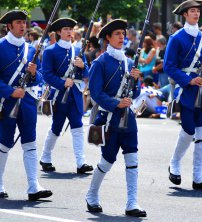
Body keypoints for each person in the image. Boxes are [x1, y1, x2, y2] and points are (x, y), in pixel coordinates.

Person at [85, 19, 146, 217]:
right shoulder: (100, 63)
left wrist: (135, 81)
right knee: (107, 160)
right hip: (109, 118)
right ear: (108, 38)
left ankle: (132, 202)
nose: (122, 37)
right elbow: (95, 93)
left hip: (128, 119)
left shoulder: (129, 63)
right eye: (117, 34)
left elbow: (134, 93)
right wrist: (115, 103)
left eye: (123, 33)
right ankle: (91, 195)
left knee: (132, 158)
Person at [164, 0, 202, 190]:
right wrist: (188, 80)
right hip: (185, 89)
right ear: (185, 14)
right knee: (188, 130)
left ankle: (198, 177)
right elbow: (169, 66)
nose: (196, 14)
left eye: (198, 11)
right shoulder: (176, 38)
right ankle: (175, 163)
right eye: (192, 11)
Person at [0, 10, 52, 201]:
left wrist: (34, 72)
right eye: (18, 22)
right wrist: (9, 91)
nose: (23, 25)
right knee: (4, 142)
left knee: (30, 142)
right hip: (6, 102)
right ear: (9, 26)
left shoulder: (31, 49)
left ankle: (33, 186)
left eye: (24, 22)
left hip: (27, 102)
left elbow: (39, 78)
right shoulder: (0, 47)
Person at [39, 18, 93, 174]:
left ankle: (81, 162)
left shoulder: (78, 50)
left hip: (75, 93)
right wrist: (62, 83)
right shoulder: (50, 51)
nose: (70, 32)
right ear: (58, 32)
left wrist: (83, 66)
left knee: (77, 126)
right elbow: (46, 74)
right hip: (59, 94)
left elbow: (86, 72)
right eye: (66, 29)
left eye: (71, 29)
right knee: (56, 127)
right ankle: (45, 157)